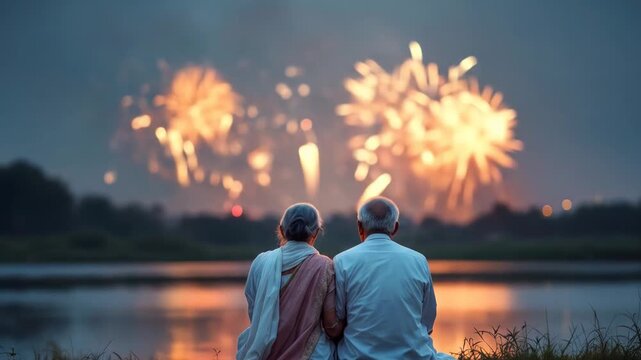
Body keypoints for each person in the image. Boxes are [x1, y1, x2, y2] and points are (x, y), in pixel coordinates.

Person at [333, 197, 453, 359]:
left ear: (359, 227)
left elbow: (339, 317)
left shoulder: (342, 261)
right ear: (395, 228)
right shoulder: (418, 260)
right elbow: (427, 321)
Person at [237, 203, 344, 360]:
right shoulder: (324, 266)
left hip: (264, 353)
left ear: (281, 230)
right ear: (316, 232)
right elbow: (331, 327)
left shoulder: (261, 262)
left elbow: (255, 313)